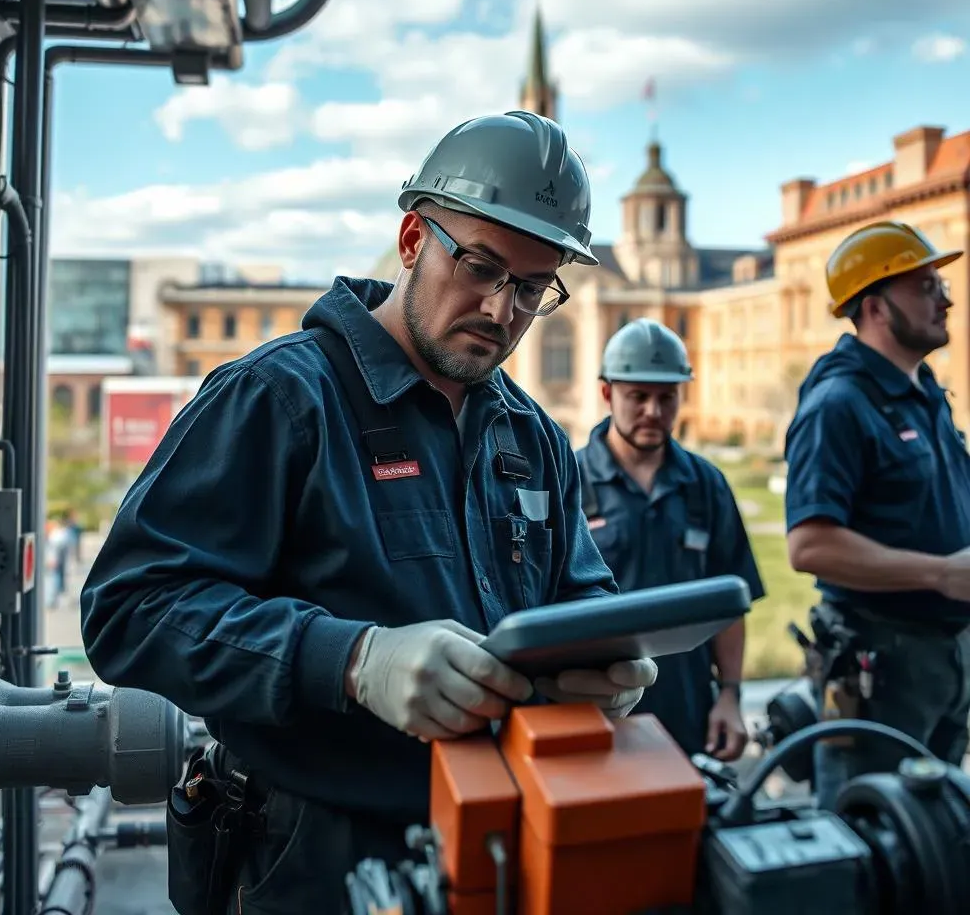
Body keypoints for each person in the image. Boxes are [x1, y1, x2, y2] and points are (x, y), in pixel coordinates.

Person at [79, 110, 657, 915]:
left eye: (532, 288)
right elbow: (131, 611)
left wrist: (607, 654)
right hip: (309, 860)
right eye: (483, 267)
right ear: (414, 239)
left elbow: (577, 590)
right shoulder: (281, 399)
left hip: (494, 840)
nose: (501, 311)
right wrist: (352, 660)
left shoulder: (530, 437)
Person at [784, 219, 970, 809]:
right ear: (876, 307)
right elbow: (809, 546)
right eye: (924, 286)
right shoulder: (839, 404)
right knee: (869, 834)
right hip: (881, 664)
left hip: (943, 659)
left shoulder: (925, 392)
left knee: (935, 838)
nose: (946, 297)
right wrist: (941, 573)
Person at [575, 318, 765, 761]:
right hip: (597, 709)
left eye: (667, 397)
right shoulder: (568, 479)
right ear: (607, 394)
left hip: (690, 709)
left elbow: (730, 600)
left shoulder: (706, 485)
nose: (653, 412)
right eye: (638, 397)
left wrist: (731, 696)